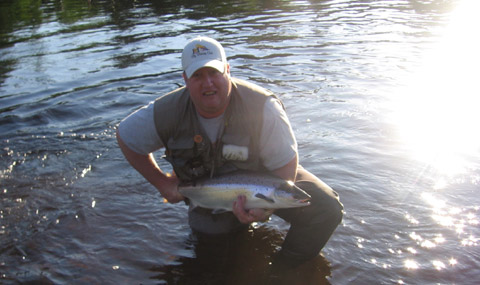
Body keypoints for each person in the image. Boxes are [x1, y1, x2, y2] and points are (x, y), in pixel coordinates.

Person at [116, 36, 343, 268]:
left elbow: (285, 170)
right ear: (185, 79)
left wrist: (267, 208)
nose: (208, 84)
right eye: (197, 76)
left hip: (263, 179)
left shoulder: (263, 106)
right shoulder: (166, 111)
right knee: (213, 252)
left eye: (214, 73)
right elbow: (125, 136)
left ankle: (284, 271)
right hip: (206, 194)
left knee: (325, 209)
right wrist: (163, 184)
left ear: (227, 70)